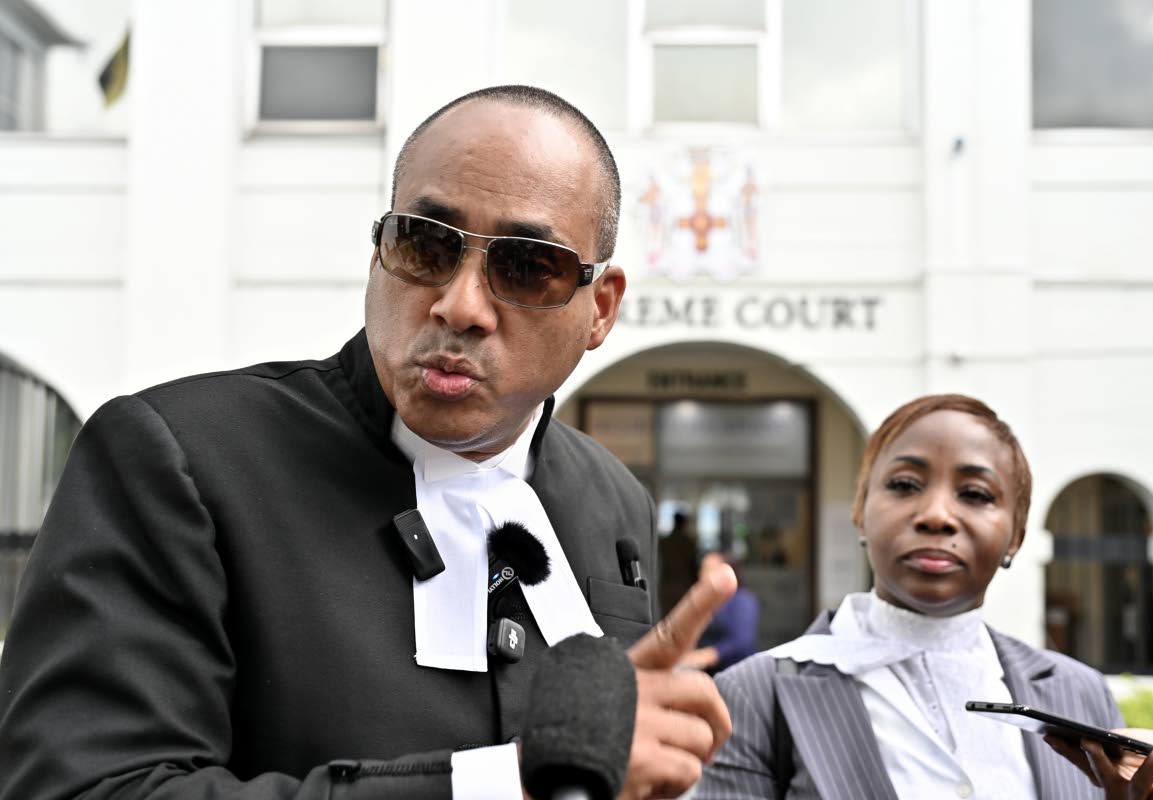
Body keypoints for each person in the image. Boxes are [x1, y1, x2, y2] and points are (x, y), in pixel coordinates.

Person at [0, 85, 734, 800]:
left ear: (600, 309)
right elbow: (84, 785)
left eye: (525, 267)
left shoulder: (612, 497)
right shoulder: (183, 459)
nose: (459, 305)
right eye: (426, 244)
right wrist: (505, 786)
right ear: (380, 251)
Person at [696, 393, 1144, 799]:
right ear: (859, 512)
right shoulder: (755, 693)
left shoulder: (1079, 694)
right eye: (905, 485)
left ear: (1015, 537)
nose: (935, 516)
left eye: (975, 494)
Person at [681, 551, 760, 673]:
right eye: (702, 569)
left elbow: (741, 640)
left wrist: (707, 655)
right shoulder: (704, 600)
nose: (703, 574)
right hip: (706, 673)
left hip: (734, 672)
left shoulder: (741, 600)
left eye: (710, 569)